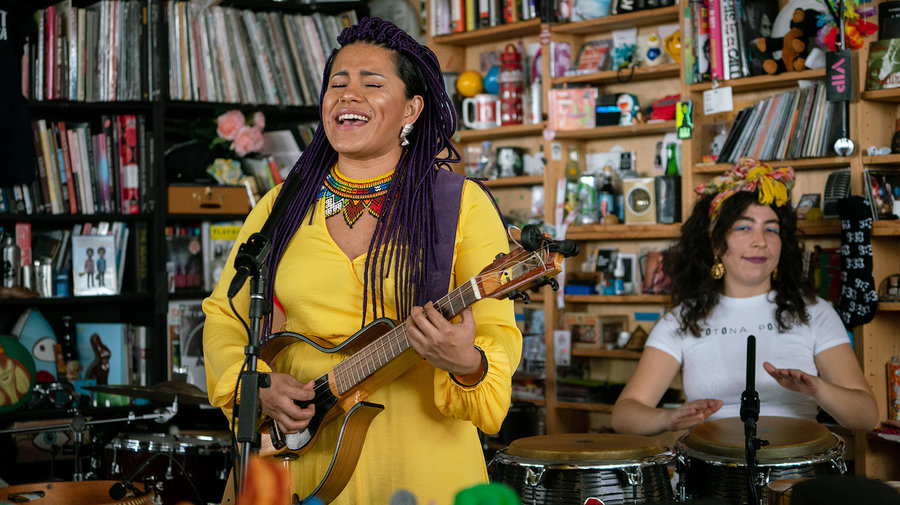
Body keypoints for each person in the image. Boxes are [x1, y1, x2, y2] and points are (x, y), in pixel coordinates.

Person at [202, 17, 522, 505]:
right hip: (291, 454)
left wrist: (466, 363)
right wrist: (257, 389)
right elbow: (226, 316)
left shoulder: (460, 205)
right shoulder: (279, 206)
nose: (348, 96)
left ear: (412, 108)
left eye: (372, 84)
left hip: (417, 464)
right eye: (337, 84)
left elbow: (496, 337)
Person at [611, 159, 878, 436]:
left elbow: (866, 416)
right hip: (710, 476)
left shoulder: (816, 312)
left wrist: (819, 389)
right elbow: (625, 414)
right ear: (715, 243)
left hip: (794, 476)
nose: (760, 241)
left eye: (771, 229)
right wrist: (668, 419)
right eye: (744, 227)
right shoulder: (683, 318)